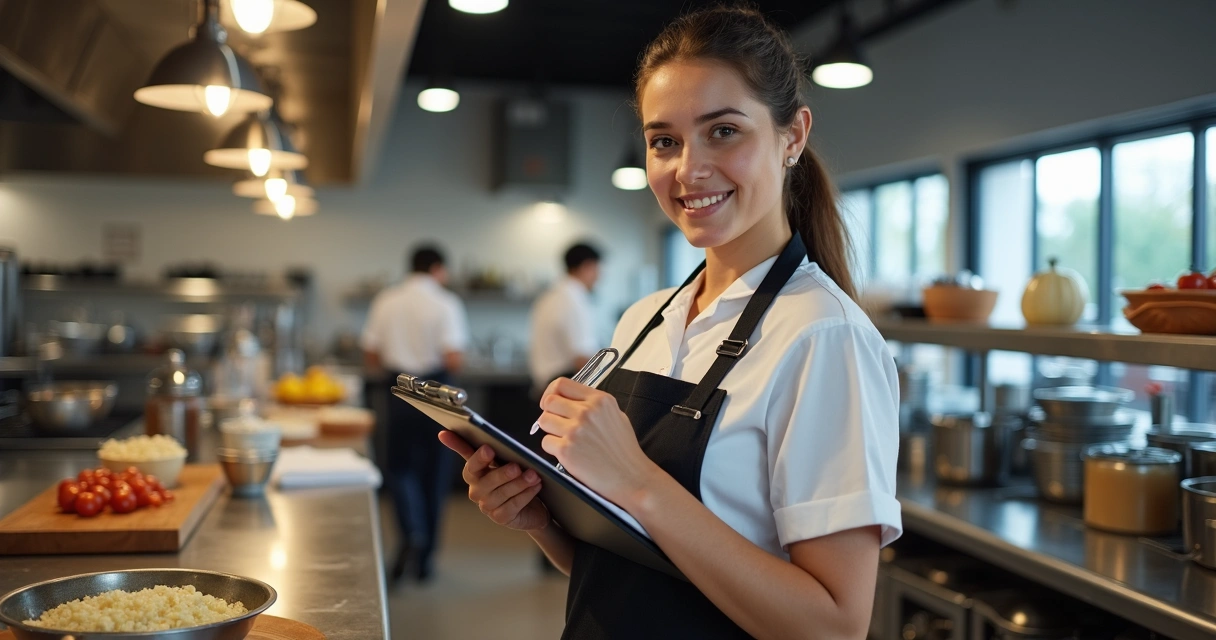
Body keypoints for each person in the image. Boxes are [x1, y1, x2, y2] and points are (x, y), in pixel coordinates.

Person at [439, 6, 901, 638]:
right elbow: (628, 566)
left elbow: (833, 626)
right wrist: (542, 520)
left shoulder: (824, 336)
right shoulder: (643, 320)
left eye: (724, 132)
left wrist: (638, 481)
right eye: (664, 141)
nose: (688, 169)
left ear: (792, 137)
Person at [362, 244, 469, 584]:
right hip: (436, 392)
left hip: (398, 389)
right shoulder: (446, 302)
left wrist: (392, 373)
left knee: (399, 468)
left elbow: (371, 352)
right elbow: (453, 358)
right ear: (437, 268)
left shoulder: (387, 300)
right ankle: (425, 559)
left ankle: (410, 531)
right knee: (435, 473)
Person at [528, 242, 602, 396]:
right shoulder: (575, 298)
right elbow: (583, 358)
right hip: (564, 386)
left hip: (546, 386)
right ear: (586, 266)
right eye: (597, 269)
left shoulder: (550, 296)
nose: (599, 276)